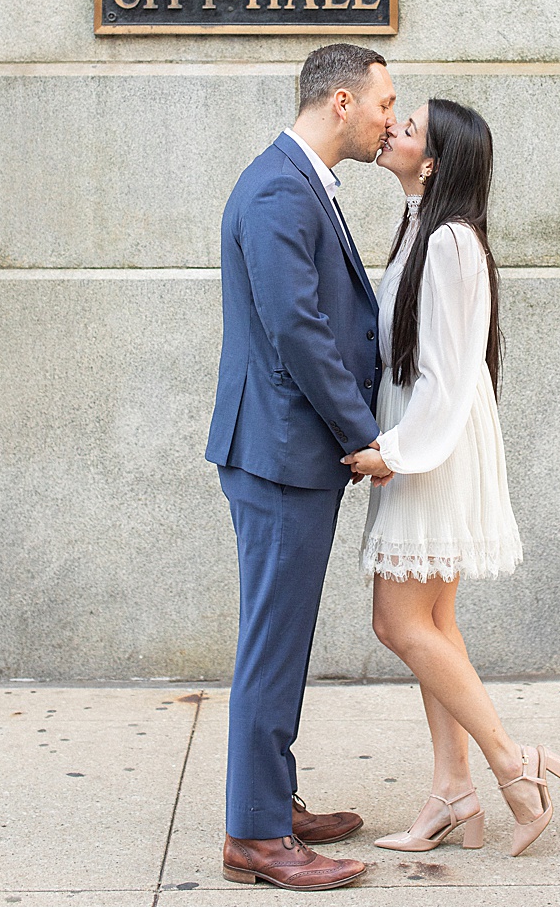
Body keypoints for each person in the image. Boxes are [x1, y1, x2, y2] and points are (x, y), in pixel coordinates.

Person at [343, 98, 560, 857]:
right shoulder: (428, 229)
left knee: (399, 623)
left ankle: (512, 764)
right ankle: (452, 791)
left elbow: (445, 374)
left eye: (409, 129)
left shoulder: (448, 243)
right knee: (432, 625)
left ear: (433, 161)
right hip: (430, 436)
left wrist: (398, 452)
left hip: (431, 442)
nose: (393, 131)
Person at [206, 44, 397, 892]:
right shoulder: (283, 188)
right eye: (386, 103)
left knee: (279, 639)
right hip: (283, 456)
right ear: (345, 101)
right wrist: (362, 433)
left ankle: (271, 801)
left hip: (285, 453)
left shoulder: (293, 180)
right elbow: (299, 330)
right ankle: (254, 836)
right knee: (271, 646)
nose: (394, 119)